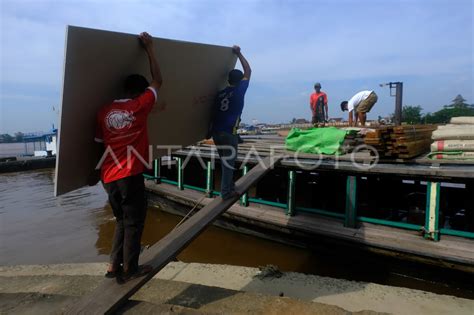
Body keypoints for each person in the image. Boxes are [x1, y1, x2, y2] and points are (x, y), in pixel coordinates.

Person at [94, 32, 163, 282]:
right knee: (134, 222)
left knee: (121, 221)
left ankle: (113, 266)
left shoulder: (103, 111)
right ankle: (130, 269)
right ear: (140, 92)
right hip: (129, 174)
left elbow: (99, 147)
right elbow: (158, 80)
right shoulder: (140, 106)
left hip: (108, 176)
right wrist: (150, 49)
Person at [210, 45, 251, 200]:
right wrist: (239, 53)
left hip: (216, 133)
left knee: (224, 161)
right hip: (229, 133)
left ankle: (229, 186)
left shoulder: (221, 93)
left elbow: (214, 113)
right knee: (229, 163)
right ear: (240, 81)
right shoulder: (239, 90)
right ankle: (226, 192)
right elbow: (248, 71)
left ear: (228, 80)